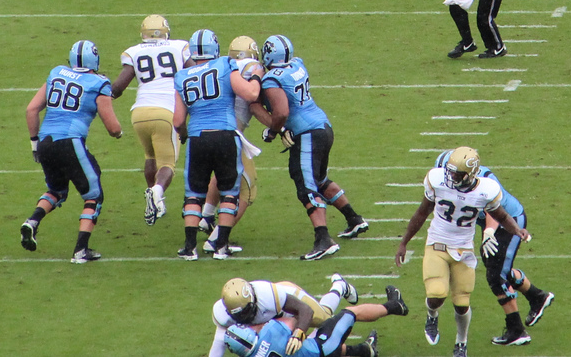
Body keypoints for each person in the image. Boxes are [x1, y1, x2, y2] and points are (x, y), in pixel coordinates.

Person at [395, 146, 532, 357]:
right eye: (450, 172)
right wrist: (404, 242)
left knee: (461, 303)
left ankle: (461, 342)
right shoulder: (437, 180)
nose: (451, 177)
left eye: (457, 174)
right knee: (437, 294)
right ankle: (432, 315)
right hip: (438, 243)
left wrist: (516, 230)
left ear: (471, 174)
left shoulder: (486, 189)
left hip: (464, 249)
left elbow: (502, 216)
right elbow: (421, 212)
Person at [253, 34, 370, 261]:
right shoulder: (298, 64)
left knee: (306, 187)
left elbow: (282, 112)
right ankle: (354, 219)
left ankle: (323, 239)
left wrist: (273, 131)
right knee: (319, 180)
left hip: (307, 133)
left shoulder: (272, 80)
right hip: (323, 126)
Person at [434, 151, 554, 347]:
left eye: (455, 173)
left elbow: (494, 210)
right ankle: (537, 297)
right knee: (498, 269)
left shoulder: (485, 181)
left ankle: (516, 331)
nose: (451, 178)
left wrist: (489, 232)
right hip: (489, 225)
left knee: (496, 276)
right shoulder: (458, 180)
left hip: (509, 222)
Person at [20, 39, 123, 263]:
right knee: (93, 196)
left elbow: (31, 109)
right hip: (70, 142)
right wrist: (119, 133)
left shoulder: (57, 73)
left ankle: (32, 221)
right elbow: (113, 127)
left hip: (45, 142)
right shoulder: (98, 83)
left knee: (56, 190)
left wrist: (35, 144)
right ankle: (80, 250)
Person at [173, 28, 260, 261]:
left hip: (198, 137)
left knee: (193, 195)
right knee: (229, 192)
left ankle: (190, 247)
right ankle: (221, 247)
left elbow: (178, 121)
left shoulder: (182, 76)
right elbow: (250, 94)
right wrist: (256, 76)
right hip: (225, 135)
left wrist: (184, 135)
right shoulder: (224, 64)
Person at [111, 14, 194, 226]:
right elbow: (194, 74)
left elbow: (118, 88)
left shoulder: (135, 51)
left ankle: (155, 202)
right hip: (166, 111)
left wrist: (101, 93)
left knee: (150, 156)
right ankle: (157, 192)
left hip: (139, 113)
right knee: (167, 164)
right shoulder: (179, 47)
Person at [208, 274, 381, 357]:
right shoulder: (223, 316)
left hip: (289, 304)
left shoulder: (268, 294)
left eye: (247, 310)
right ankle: (362, 351)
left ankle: (339, 287)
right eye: (240, 314)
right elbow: (217, 348)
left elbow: (304, 311)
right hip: (272, 323)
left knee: (326, 320)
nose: (246, 317)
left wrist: (299, 334)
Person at [200, 36, 265, 255]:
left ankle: (206, 215)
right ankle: (216, 240)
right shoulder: (253, 67)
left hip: (205, 132)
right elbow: (254, 103)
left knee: (221, 174)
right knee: (248, 190)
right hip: (230, 135)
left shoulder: (220, 66)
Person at [223, 286, 409, 357]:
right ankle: (394, 306)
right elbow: (294, 320)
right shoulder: (270, 331)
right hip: (323, 348)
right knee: (351, 313)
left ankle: (366, 350)